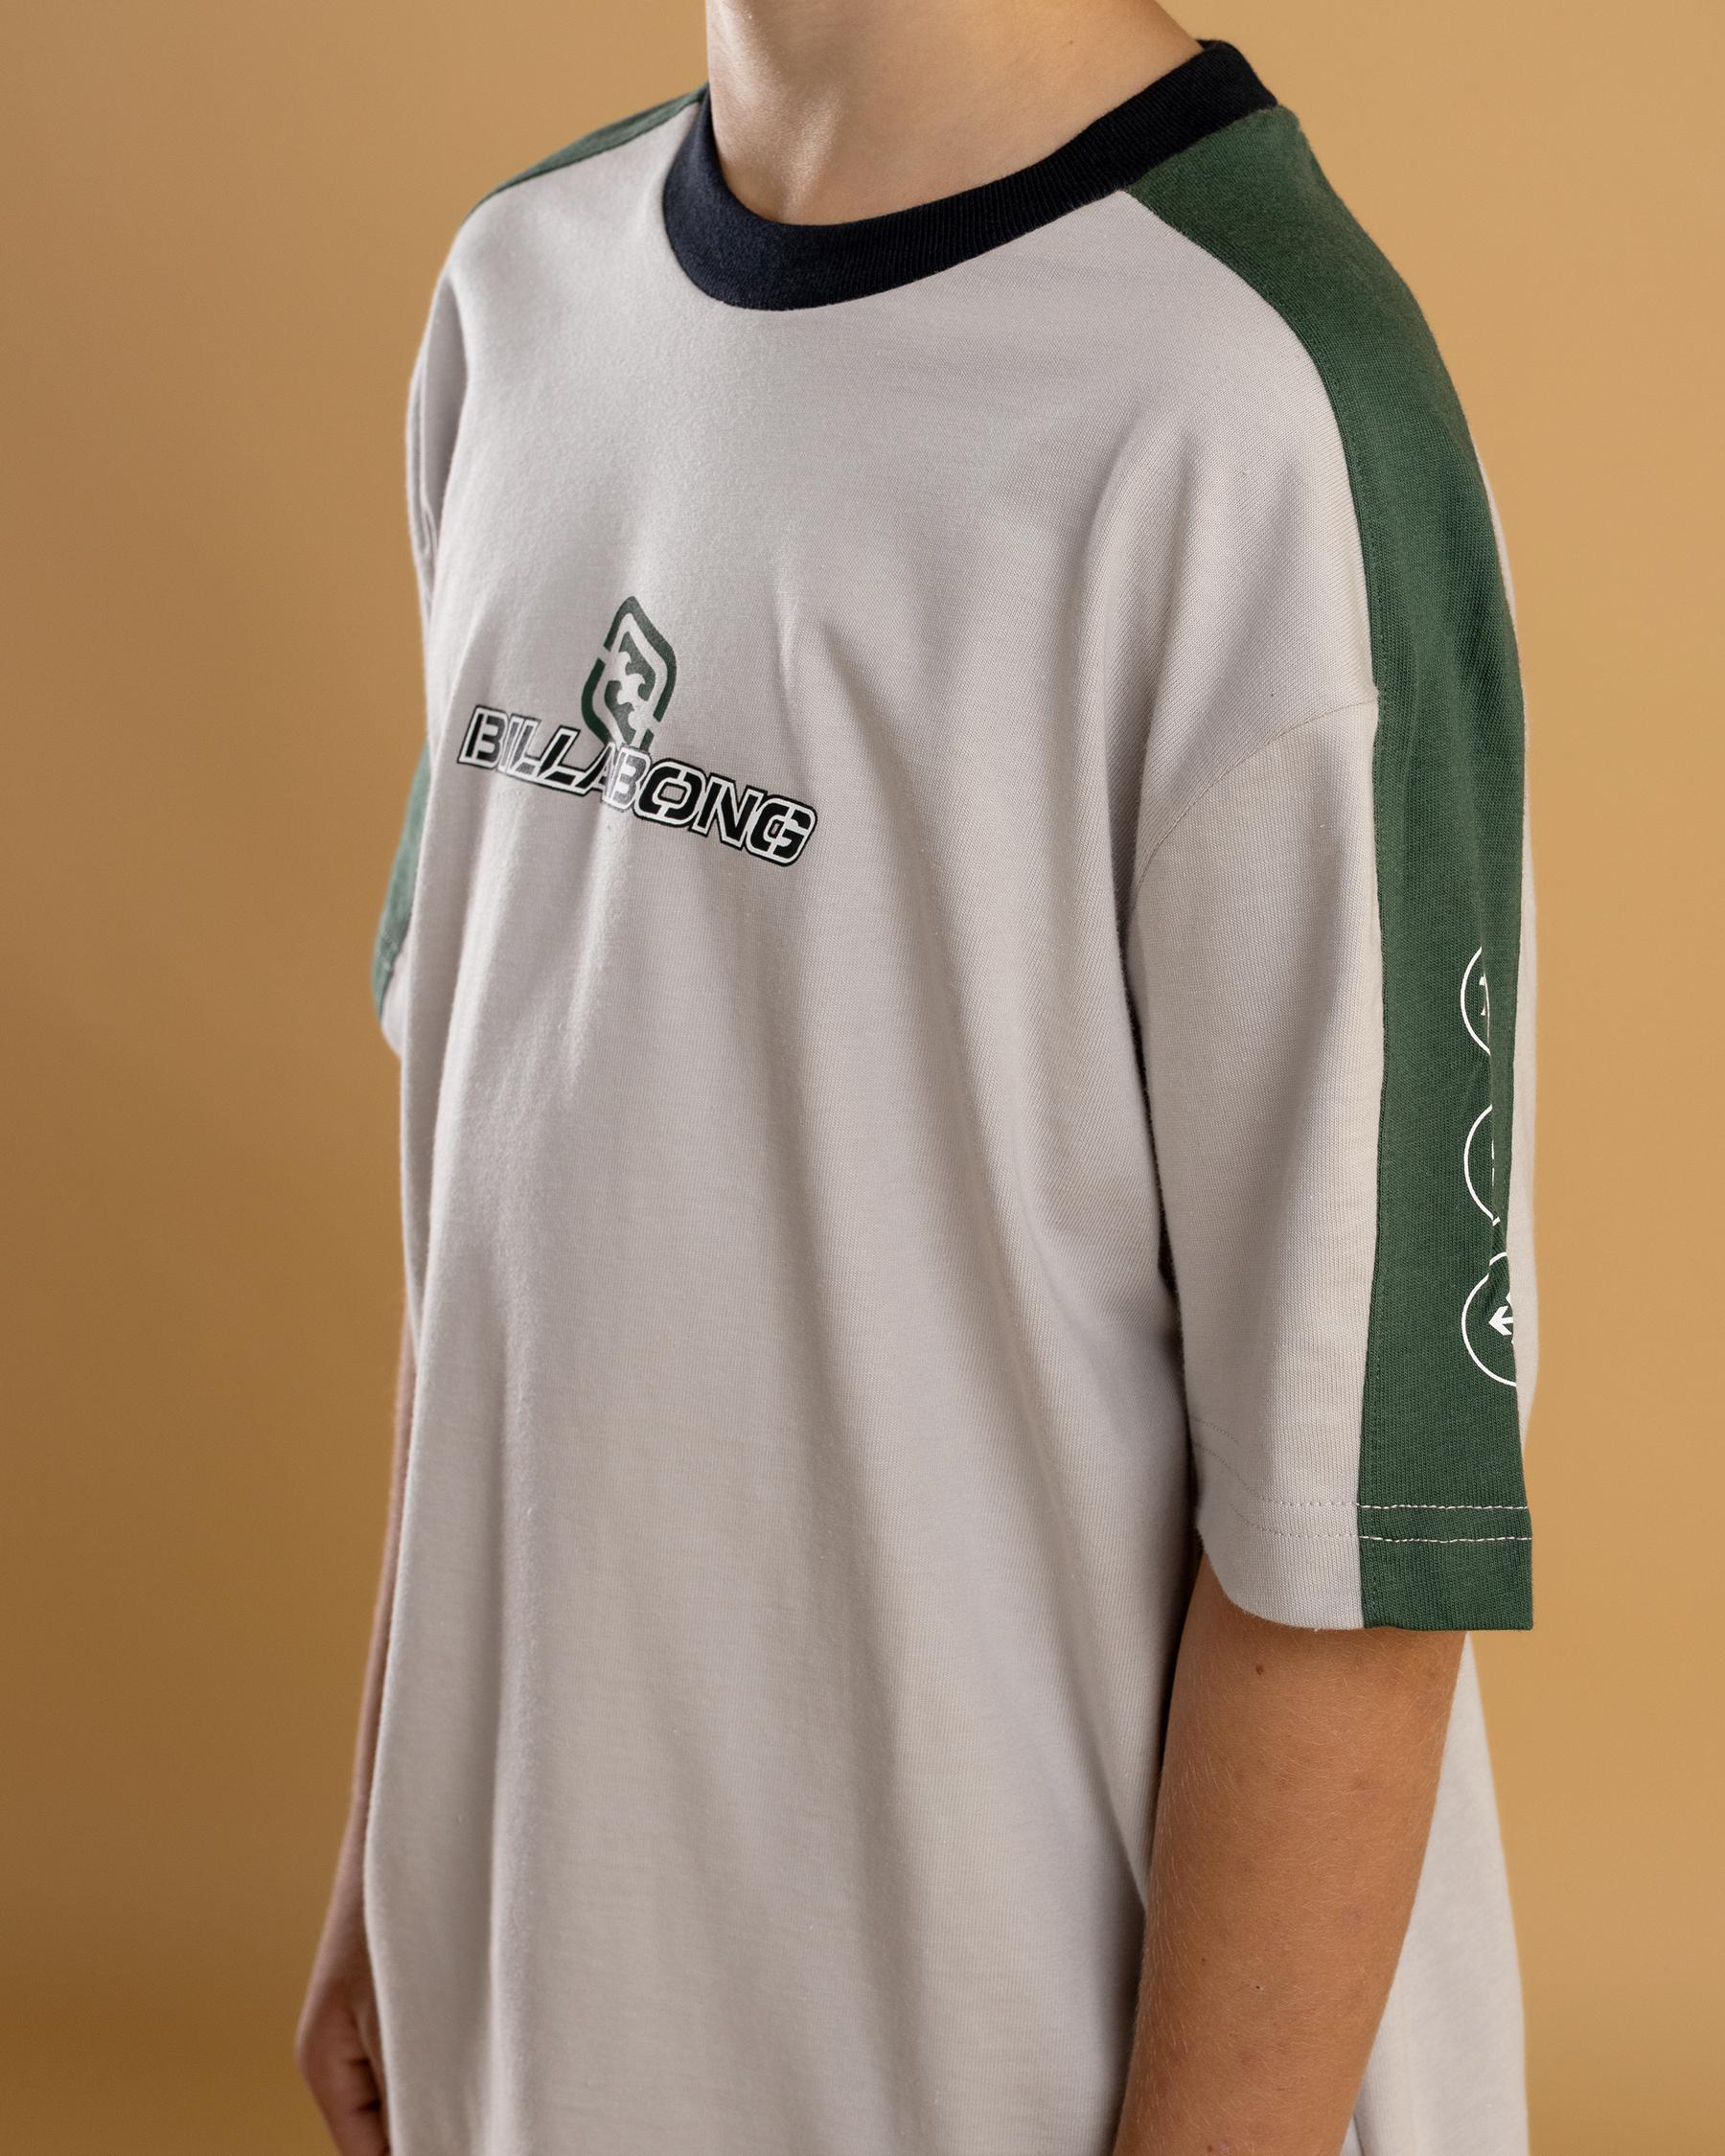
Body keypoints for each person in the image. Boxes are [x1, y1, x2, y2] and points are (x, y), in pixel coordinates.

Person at [297, 3, 1541, 2151]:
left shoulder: (1252, 405)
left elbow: (1360, 1523)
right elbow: (492, 1184)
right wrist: (397, 1845)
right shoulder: (523, 294)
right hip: (563, 2019)